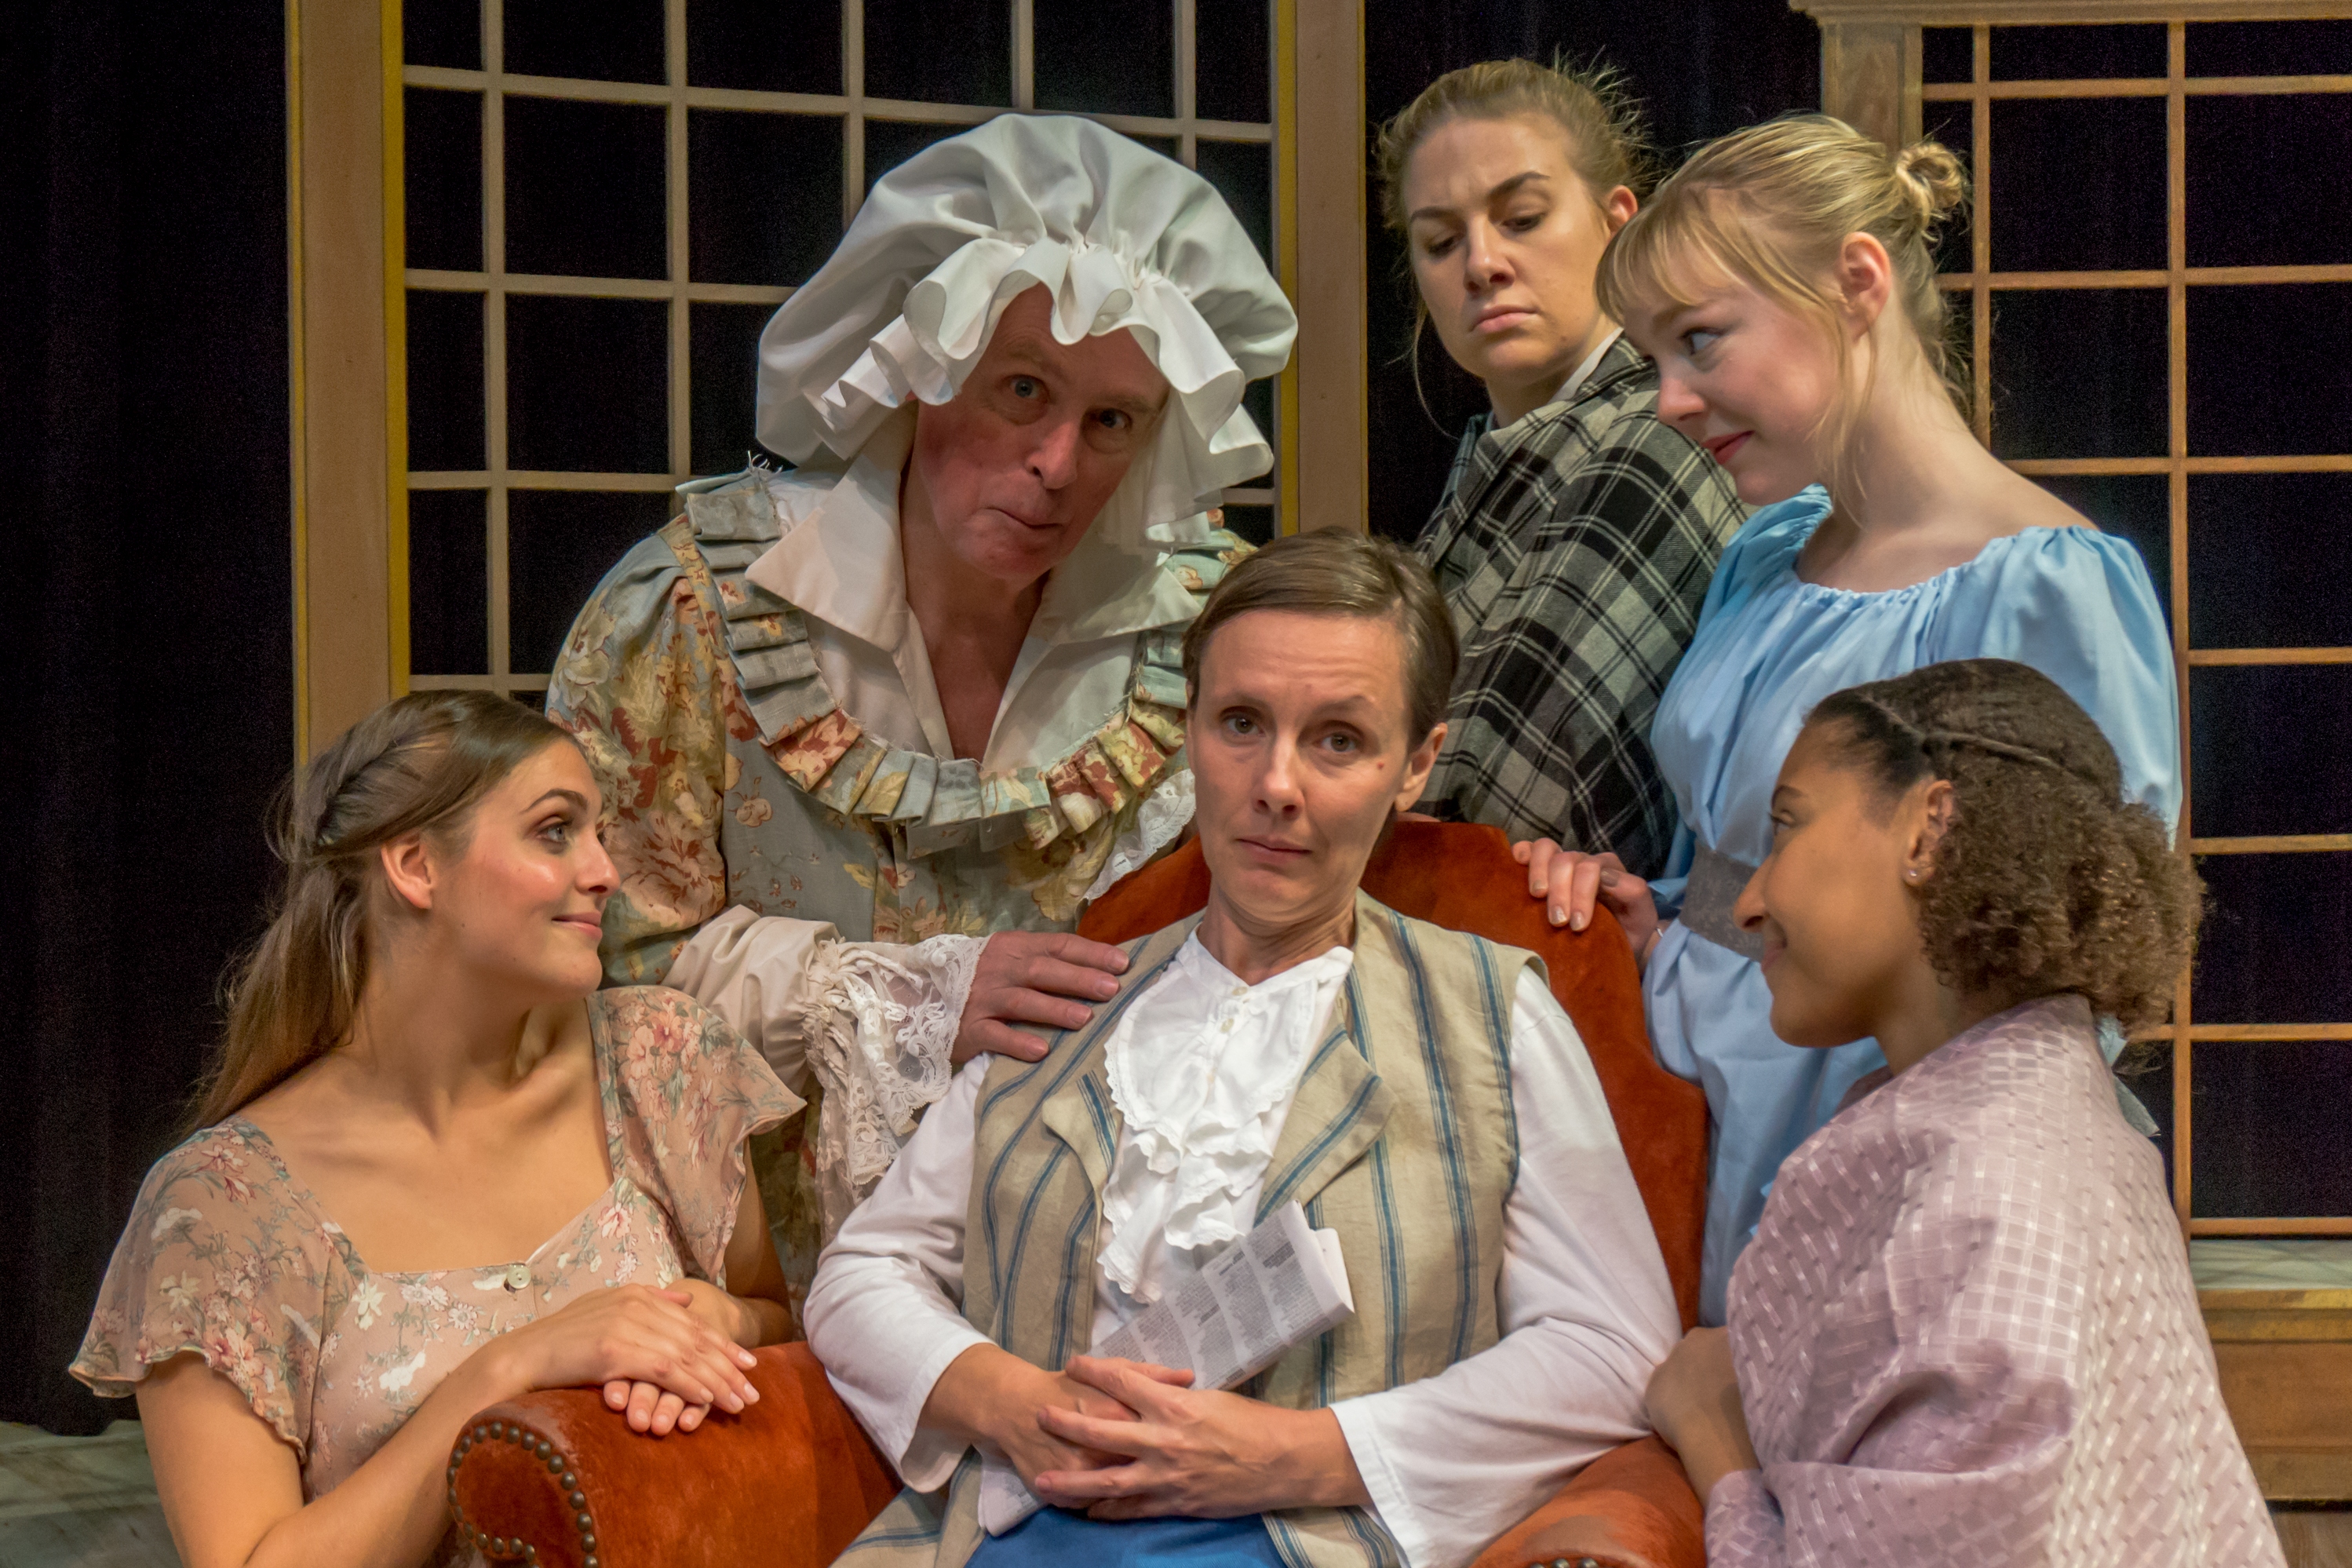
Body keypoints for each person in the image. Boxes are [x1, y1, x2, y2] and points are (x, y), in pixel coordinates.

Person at [805, 531, 1679, 1568]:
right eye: (1241, 723)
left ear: (1417, 764)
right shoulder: (1074, 999)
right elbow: (864, 1267)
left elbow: (1613, 1348)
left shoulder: (1494, 1018)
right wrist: (1014, 1402)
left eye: (1339, 739)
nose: (1277, 783)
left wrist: (1307, 1451)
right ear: (1188, 735)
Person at [548, 115, 1299, 1291]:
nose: (1058, 462)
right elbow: (594, 964)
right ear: (919, 371)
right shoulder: (698, 614)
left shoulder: (1206, 631)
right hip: (749, 1283)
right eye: (1020, 389)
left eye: (1112, 421)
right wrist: (912, 995)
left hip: (1097, 1264)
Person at [1521, 115, 2181, 1322]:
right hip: (1678, 1108)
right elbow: (1723, 861)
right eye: (1654, 357)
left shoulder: (2041, 584)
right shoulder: (1764, 554)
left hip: (1877, 1157)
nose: (1668, 400)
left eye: (1701, 340)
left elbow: (2077, 965)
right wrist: (1651, 920)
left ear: (1855, 281)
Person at [71, 691, 800, 1568]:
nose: (606, 870)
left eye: (598, 832)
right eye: (556, 830)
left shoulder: (663, 1064)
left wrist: (727, 1323)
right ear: (416, 865)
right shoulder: (222, 1210)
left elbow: (783, 1327)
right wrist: (509, 1370)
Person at [1637, 659, 2280, 1566]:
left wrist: (1716, 1440)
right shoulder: (2060, 1130)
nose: (1749, 901)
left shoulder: (1979, 1205)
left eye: (1786, 827)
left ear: (1927, 829)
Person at [1377, 59, 1747, 877]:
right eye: (1440, 241)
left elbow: (1502, 821)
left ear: (1619, 222)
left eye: (1522, 217)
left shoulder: (1662, 437)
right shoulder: (1487, 466)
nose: (1481, 263)